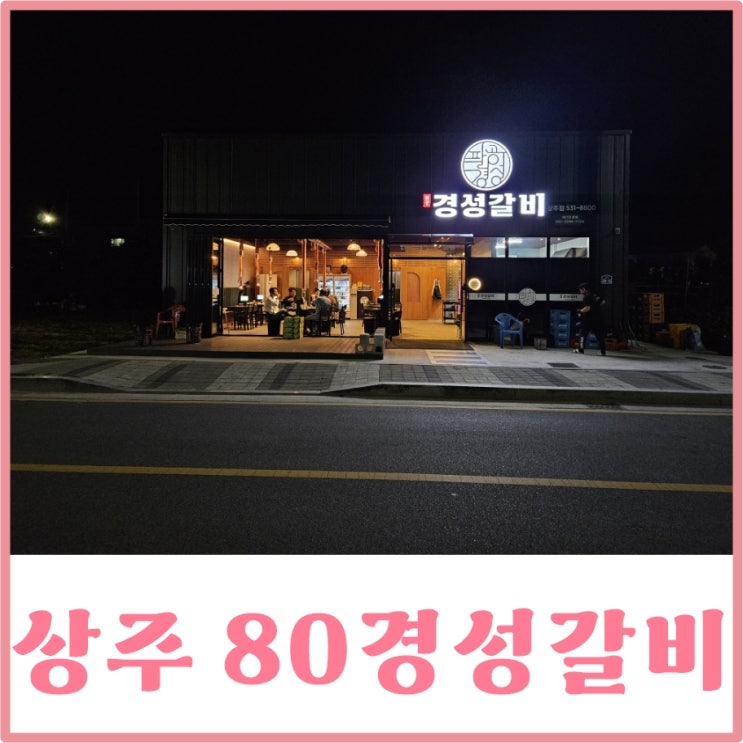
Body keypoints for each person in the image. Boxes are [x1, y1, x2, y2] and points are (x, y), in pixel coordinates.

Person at [574, 282, 606, 355]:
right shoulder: (595, 295)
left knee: (582, 334)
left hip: (588, 319)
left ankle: (581, 350)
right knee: (599, 335)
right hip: (597, 318)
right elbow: (603, 302)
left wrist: (580, 311)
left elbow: (587, 308)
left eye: (580, 290)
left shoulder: (587, 296)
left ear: (584, 289)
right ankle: (603, 351)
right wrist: (596, 307)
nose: (580, 292)